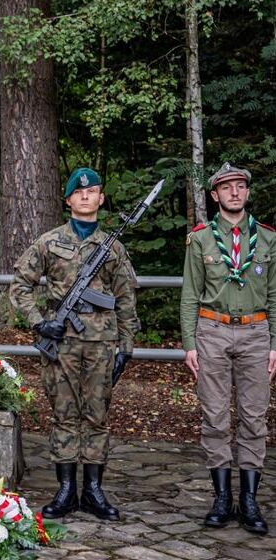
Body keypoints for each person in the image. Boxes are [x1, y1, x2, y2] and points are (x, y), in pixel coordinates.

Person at [9, 167, 139, 521]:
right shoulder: (49, 242)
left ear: (100, 198)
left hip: (101, 343)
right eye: (78, 192)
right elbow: (19, 286)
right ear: (68, 200)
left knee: (97, 416)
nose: (85, 196)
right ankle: (66, 490)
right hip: (62, 342)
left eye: (92, 191)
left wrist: (126, 346)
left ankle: (93, 490)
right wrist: (40, 322)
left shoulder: (113, 248)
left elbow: (125, 299)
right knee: (64, 415)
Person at [180, 162, 275, 535]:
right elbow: (190, 294)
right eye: (227, 187)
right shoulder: (200, 239)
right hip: (212, 331)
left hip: (256, 333)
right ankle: (222, 498)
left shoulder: (267, 239)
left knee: (254, 418)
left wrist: (273, 344)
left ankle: (249, 501)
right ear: (215, 194)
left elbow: (274, 294)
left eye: (240, 186)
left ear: (247, 193)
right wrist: (190, 343)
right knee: (215, 416)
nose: (235, 192)